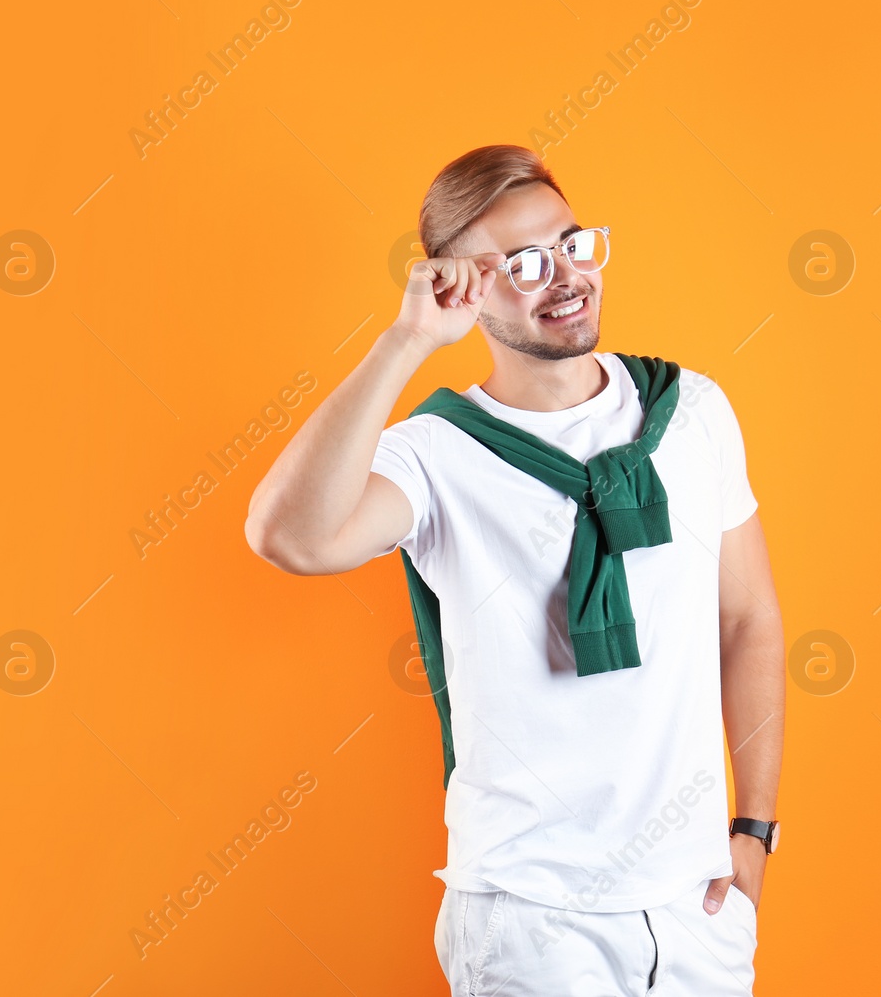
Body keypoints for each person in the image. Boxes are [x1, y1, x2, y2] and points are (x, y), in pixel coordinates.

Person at [244, 144, 784, 995]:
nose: (564, 275)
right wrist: (405, 341)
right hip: (532, 918)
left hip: (696, 910)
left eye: (573, 243)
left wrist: (754, 827)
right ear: (464, 286)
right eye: (523, 264)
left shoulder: (694, 414)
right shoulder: (437, 454)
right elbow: (290, 537)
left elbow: (746, 620)